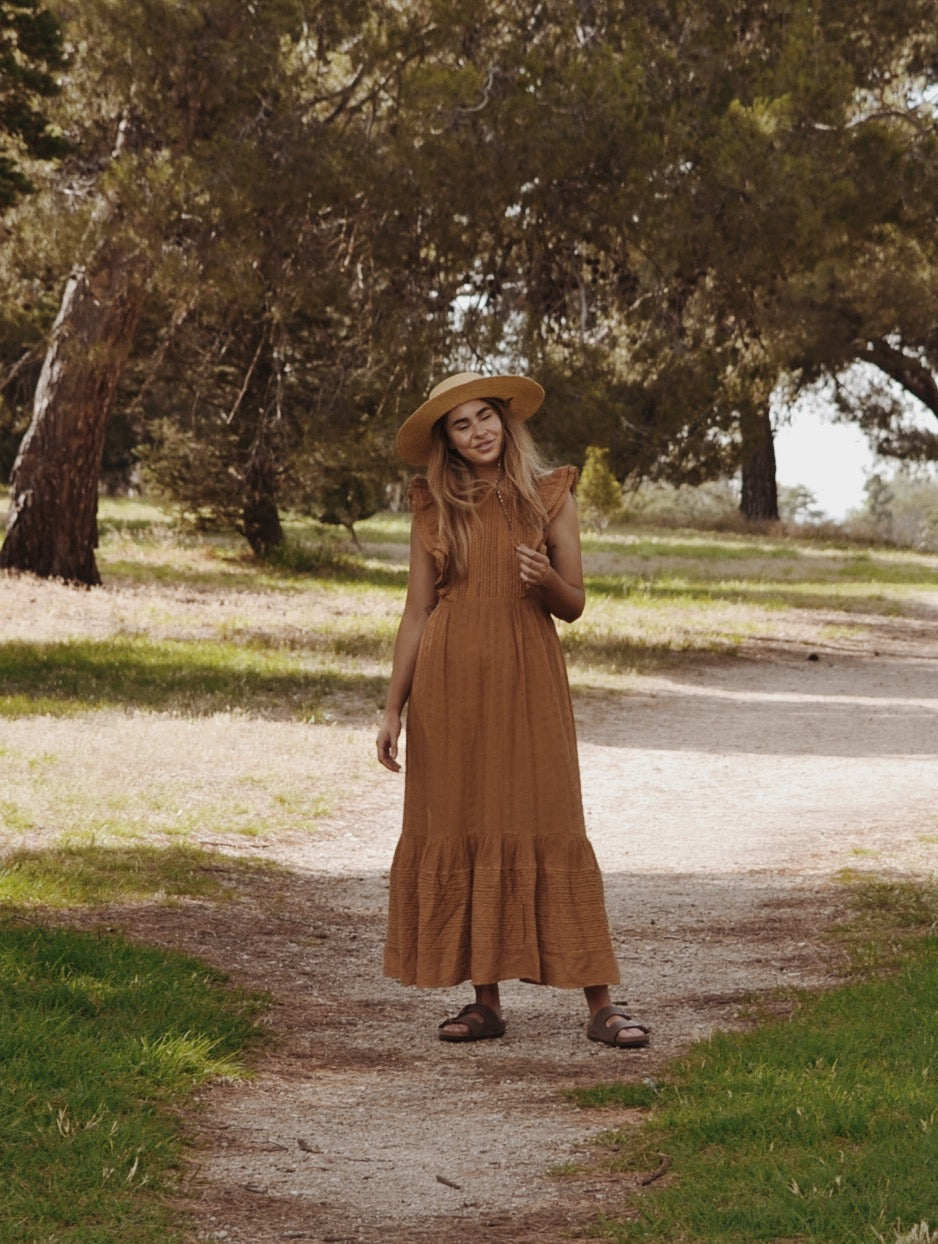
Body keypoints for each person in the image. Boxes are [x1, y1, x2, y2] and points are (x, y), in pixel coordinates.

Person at [376, 371, 650, 1049]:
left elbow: (574, 602)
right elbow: (417, 612)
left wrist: (547, 579)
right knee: (466, 819)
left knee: (550, 817)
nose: (478, 432)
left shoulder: (549, 494)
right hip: (449, 686)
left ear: (505, 419)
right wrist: (392, 709)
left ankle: (600, 1003)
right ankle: (485, 1002)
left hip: (529, 676)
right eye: (461, 424)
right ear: (447, 440)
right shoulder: (433, 507)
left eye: (485, 417)